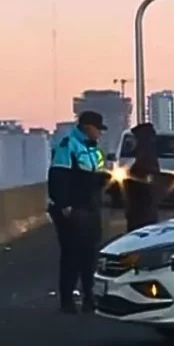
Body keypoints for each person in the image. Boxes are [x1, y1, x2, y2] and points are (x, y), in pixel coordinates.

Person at [47, 111, 107, 314]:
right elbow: (58, 176)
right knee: (72, 254)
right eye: (97, 129)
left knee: (90, 255)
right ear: (87, 127)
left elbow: (96, 177)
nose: (99, 133)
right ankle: (67, 301)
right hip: (73, 209)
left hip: (90, 208)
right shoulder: (68, 145)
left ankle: (90, 298)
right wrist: (64, 205)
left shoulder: (93, 150)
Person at [124, 122, 160, 232]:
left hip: (141, 212)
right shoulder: (146, 155)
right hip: (143, 211)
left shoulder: (146, 159)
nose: (132, 142)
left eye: (135, 138)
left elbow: (144, 185)